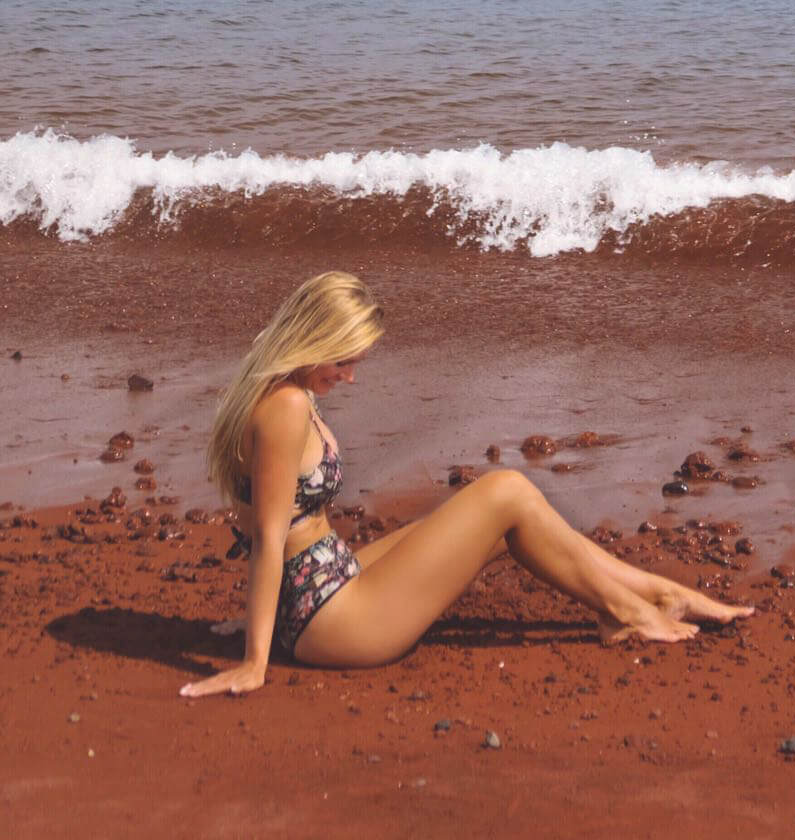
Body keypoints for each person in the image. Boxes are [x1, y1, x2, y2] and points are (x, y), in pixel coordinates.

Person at [180, 272, 751, 698]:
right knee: (506, 492)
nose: (351, 375)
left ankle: (655, 595)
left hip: (323, 583)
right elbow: (272, 536)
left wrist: (263, 614)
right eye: (344, 360)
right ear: (313, 338)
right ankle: (633, 610)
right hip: (328, 619)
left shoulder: (285, 390)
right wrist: (255, 659)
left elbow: (263, 524)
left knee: (508, 525)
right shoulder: (283, 406)